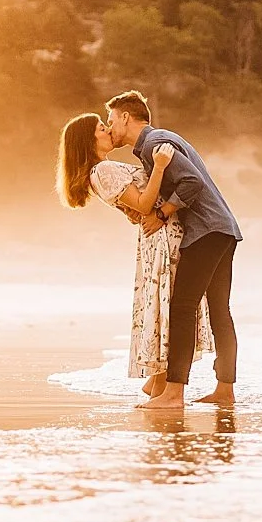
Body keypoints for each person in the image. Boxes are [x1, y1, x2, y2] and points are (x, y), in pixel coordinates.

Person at [102, 90, 241, 412]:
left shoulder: (153, 145)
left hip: (205, 231)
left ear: (125, 117)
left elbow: (191, 182)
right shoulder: (160, 140)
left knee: (182, 308)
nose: (110, 129)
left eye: (111, 121)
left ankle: (174, 393)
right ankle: (224, 390)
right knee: (220, 311)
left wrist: (163, 212)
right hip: (222, 228)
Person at [56, 112, 213, 397]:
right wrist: (161, 167)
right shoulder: (102, 171)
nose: (108, 131)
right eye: (102, 128)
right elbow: (143, 203)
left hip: (159, 234)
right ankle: (162, 383)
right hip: (162, 238)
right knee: (168, 306)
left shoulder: (104, 170)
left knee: (165, 304)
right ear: (88, 141)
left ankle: (157, 380)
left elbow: (132, 208)